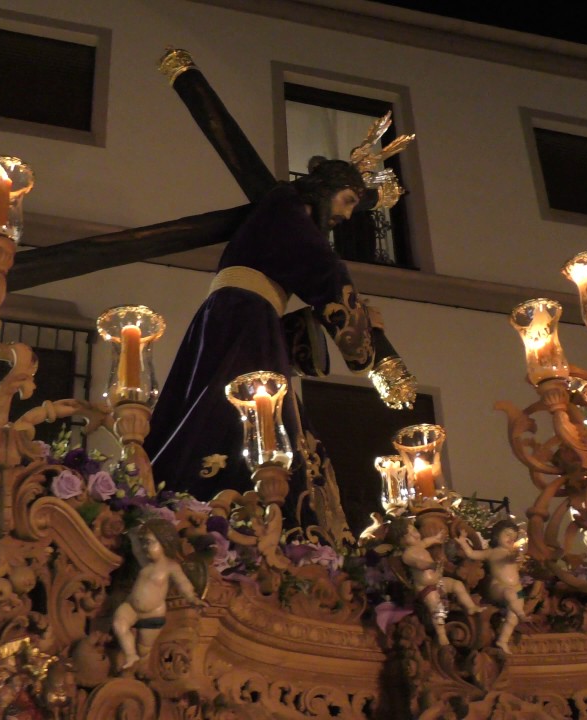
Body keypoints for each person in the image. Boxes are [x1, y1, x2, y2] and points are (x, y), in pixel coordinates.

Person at [145, 158, 383, 539]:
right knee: (244, 405)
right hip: (245, 321)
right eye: (349, 199)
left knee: (227, 402)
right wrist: (364, 338)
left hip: (241, 320)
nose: (348, 214)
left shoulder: (278, 215)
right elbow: (326, 270)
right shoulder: (286, 209)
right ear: (325, 188)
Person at [112, 518, 203, 670]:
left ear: (164, 543)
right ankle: (130, 654)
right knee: (118, 624)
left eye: (150, 542)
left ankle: (141, 668)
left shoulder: (170, 566)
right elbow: (137, 549)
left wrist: (192, 598)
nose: (146, 547)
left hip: (152, 615)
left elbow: (183, 583)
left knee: (144, 648)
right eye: (145, 543)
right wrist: (134, 534)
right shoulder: (145, 562)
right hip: (131, 607)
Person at [398, 521, 482, 645]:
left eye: (415, 531)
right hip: (426, 588)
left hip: (438, 580)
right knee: (437, 609)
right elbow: (418, 563)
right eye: (410, 535)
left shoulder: (419, 545)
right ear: (401, 540)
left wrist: (437, 538)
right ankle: (442, 635)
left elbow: (427, 541)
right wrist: (430, 564)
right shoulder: (407, 554)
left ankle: (470, 607)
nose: (416, 535)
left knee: (457, 585)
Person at [456, 520, 527, 653]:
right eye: (507, 534)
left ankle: (503, 640)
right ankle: (522, 614)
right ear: (496, 536)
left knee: (514, 615)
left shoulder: (513, 552)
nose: (511, 538)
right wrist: (462, 541)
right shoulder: (492, 552)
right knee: (510, 595)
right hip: (499, 587)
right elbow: (471, 554)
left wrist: (518, 558)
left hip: (517, 588)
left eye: (514, 536)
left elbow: (514, 559)